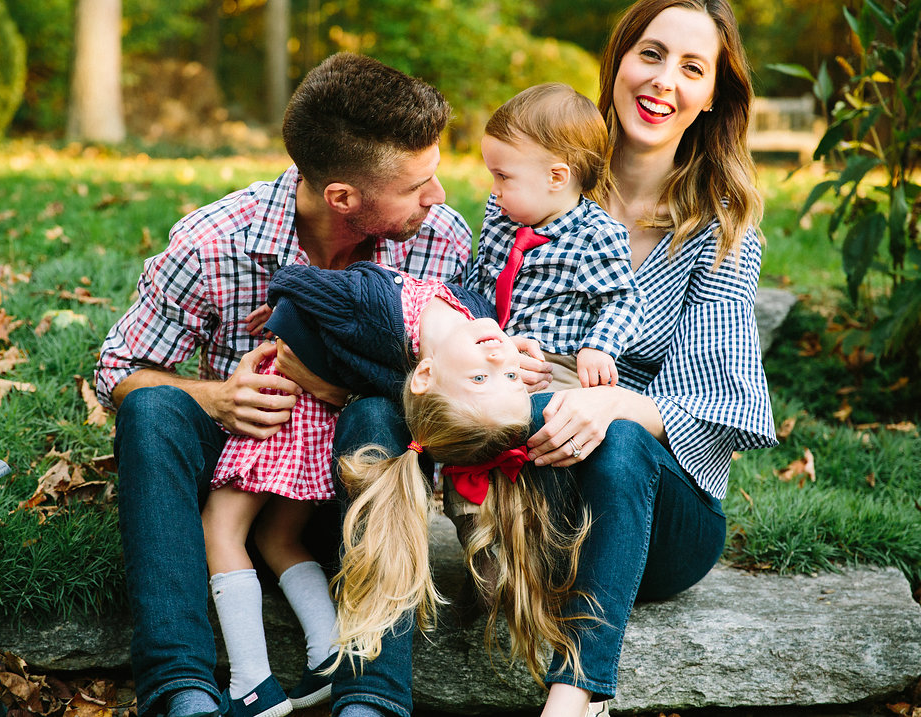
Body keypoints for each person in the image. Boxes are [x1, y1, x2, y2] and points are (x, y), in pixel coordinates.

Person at [327, 2, 778, 717]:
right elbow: (474, 318)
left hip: (656, 513)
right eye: (651, 54)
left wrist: (610, 400)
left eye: (692, 68)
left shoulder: (721, 227)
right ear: (619, 60)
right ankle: (371, 691)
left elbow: (723, 394)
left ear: (714, 95)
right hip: (524, 490)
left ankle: (577, 692)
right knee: (375, 415)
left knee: (619, 436)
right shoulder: (529, 183)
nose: (664, 81)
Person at [94, 52, 475, 717]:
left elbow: (463, 395)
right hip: (245, 476)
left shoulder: (440, 240)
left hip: (362, 484)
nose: (437, 196)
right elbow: (116, 370)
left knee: (380, 418)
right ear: (343, 198)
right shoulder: (213, 242)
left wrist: (342, 393)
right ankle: (184, 688)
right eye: (419, 184)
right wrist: (213, 397)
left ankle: (369, 696)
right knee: (153, 408)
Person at [200, 259, 534, 716]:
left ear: (426, 377)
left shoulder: (380, 313)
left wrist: (284, 312)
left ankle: (252, 683)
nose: (499, 361)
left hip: (280, 410)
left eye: (482, 379)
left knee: (220, 529)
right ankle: (325, 656)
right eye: (511, 377)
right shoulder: (473, 313)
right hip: (318, 426)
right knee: (277, 537)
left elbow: (295, 278)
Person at [446, 83, 643, 575]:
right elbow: (478, 279)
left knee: (538, 429)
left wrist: (599, 346)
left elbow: (621, 301)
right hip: (498, 351)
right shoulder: (501, 218)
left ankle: (534, 541)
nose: (493, 190)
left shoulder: (596, 235)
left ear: (557, 176)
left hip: (557, 364)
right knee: (462, 418)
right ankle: (478, 536)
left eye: (503, 176)